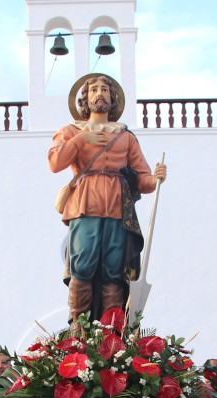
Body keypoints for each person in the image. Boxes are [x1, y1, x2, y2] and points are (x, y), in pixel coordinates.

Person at [49, 74, 167, 322]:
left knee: (114, 269)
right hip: (84, 205)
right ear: (85, 99)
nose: (100, 94)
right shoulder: (71, 131)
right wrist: (82, 139)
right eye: (94, 90)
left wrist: (155, 179)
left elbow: (141, 177)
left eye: (105, 90)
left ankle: (111, 331)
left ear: (113, 98)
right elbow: (55, 162)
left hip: (117, 207)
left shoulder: (125, 136)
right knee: (83, 264)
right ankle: (79, 329)